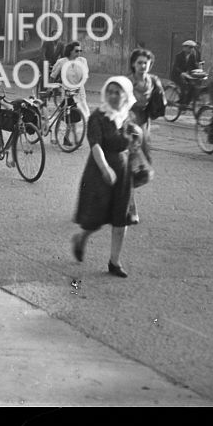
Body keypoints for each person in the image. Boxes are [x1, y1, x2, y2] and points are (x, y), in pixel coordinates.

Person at [70, 76, 142, 277]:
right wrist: (104, 168)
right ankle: (81, 238)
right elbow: (95, 145)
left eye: (117, 92)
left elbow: (132, 142)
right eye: (109, 91)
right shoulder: (98, 117)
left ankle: (114, 262)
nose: (113, 96)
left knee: (121, 217)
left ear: (125, 95)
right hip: (100, 171)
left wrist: (136, 144)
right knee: (96, 217)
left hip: (123, 171)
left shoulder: (128, 117)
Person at [127, 48, 166, 162]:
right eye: (139, 62)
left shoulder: (153, 81)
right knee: (130, 151)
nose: (143, 66)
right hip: (128, 119)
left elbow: (160, 100)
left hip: (144, 118)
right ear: (133, 64)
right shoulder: (127, 82)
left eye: (146, 63)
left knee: (145, 151)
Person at [49, 41, 92, 121]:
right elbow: (53, 76)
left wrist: (79, 85)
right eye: (76, 51)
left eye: (80, 51)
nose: (79, 53)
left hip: (79, 92)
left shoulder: (82, 61)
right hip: (67, 92)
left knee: (84, 115)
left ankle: (80, 127)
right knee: (69, 118)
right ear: (70, 51)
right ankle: (69, 127)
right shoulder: (61, 62)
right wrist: (50, 88)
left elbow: (85, 76)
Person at [170, 39, 202, 108]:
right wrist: (182, 73)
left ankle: (186, 103)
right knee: (183, 85)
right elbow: (176, 67)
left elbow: (194, 66)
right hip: (176, 75)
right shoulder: (179, 56)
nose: (191, 49)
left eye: (192, 47)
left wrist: (199, 71)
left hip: (186, 75)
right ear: (184, 48)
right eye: (190, 47)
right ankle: (181, 101)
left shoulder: (192, 56)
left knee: (193, 86)